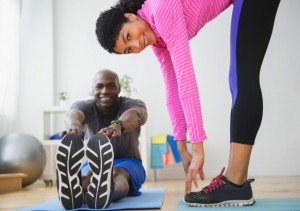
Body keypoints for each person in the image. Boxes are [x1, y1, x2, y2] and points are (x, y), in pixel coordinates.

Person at [95, 0, 281, 207]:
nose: (137, 45)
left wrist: (198, 147)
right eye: (129, 49)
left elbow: (186, 81)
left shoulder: (160, 9)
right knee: (239, 79)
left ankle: (236, 185)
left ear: (130, 17)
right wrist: (182, 146)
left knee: (242, 78)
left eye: (129, 36)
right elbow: (173, 90)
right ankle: (237, 184)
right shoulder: (156, 37)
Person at [55, 69, 148, 210]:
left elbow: (136, 114)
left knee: (117, 173)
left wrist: (118, 125)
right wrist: (74, 127)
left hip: (129, 162)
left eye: (111, 86)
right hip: (94, 161)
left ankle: (107, 190)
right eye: (100, 86)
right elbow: (73, 114)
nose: (105, 90)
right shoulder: (85, 106)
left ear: (119, 88)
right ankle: (75, 189)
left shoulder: (131, 104)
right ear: (93, 89)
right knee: (89, 175)